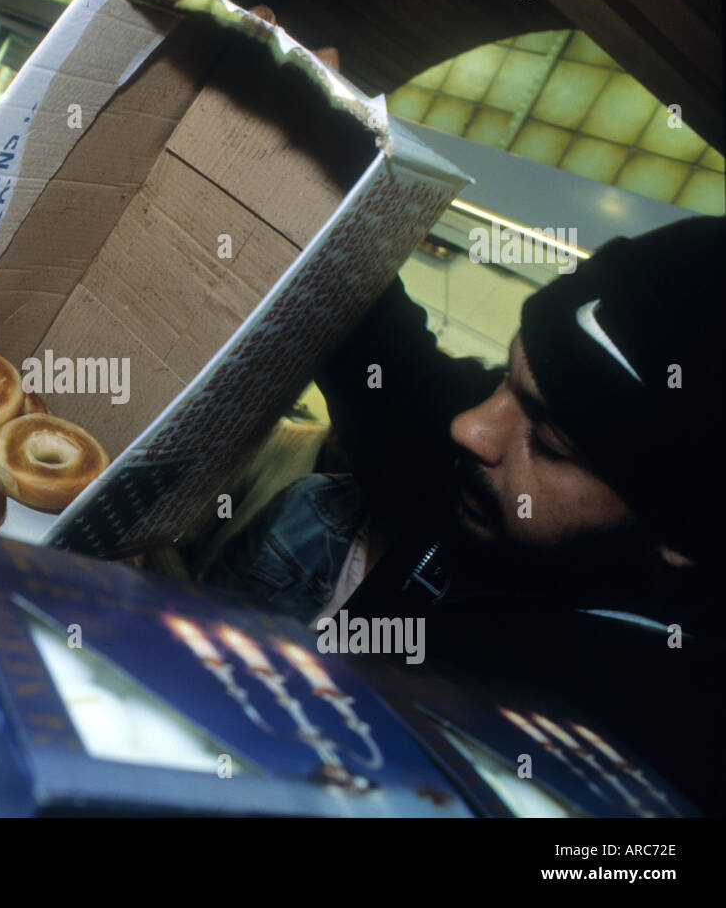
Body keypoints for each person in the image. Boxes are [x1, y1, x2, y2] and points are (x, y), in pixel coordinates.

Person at [196, 214, 725, 813]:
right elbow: (369, 327)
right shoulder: (482, 473)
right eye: (504, 378)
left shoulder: (653, 769)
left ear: (685, 531)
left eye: (550, 443)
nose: (470, 428)